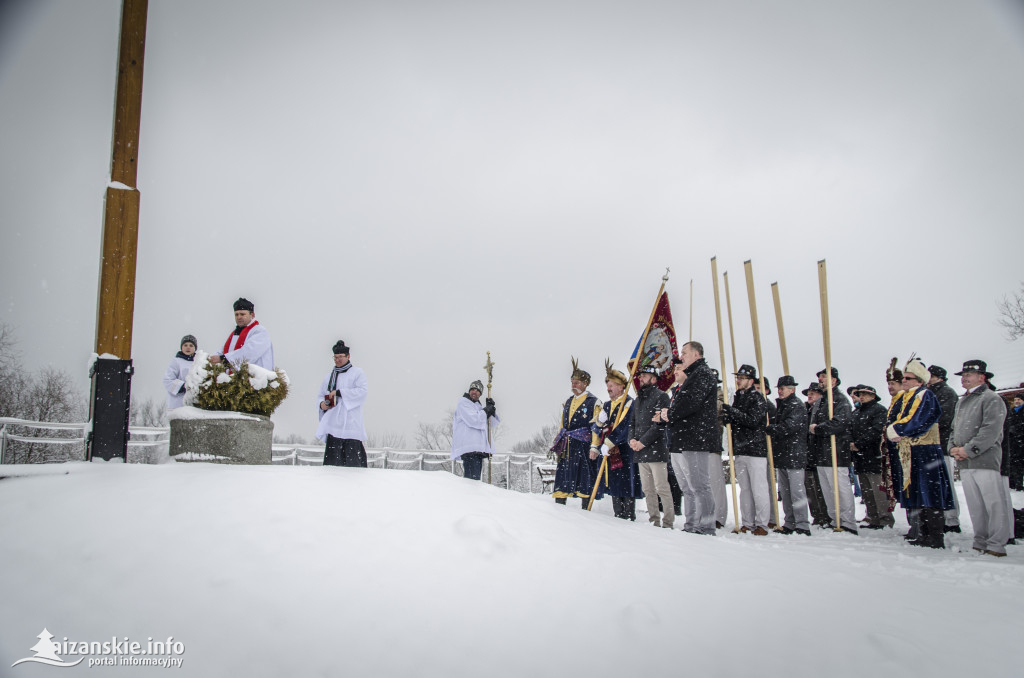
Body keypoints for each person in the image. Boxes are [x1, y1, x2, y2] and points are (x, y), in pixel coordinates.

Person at [886, 358, 956, 549]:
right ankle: (923, 531)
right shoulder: (908, 397)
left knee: (930, 492)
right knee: (917, 491)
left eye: (908, 378)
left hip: (926, 451)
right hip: (912, 451)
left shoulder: (925, 395)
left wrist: (898, 430)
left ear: (919, 380)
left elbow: (919, 420)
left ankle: (935, 535)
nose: (905, 381)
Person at [656, 341, 718, 535]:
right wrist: (669, 414)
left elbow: (691, 403)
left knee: (700, 485)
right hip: (686, 437)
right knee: (691, 486)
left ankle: (707, 526)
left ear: (696, 355)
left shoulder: (703, 375)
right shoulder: (695, 375)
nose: (681, 356)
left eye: (684, 353)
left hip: (696, 437)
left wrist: (669, 414)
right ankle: (693, 524)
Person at [949, 360, 1009, 556]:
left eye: (969, 375)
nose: (964, 378)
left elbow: (990, 430)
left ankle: (996, 543)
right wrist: (952, 448)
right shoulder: (962, 401)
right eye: (963, 375)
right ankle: (980, 539)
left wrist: (969, 449)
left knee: (993, 503)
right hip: (964, 461)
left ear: (982, 377)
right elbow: (953, 429)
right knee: (975, 504)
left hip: (984, 459)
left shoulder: (991, 398)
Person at [721, 364, 770, 535]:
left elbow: (753, 420)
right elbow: (738, 420)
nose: (738, 381)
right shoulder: (738, 397)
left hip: (755, 449)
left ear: (750, 380)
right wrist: (729, 419)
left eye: (741, 378)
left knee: (759, 488)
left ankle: (762, 523)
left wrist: (733, 413)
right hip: (741, 448)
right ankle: (747, 522)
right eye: (737, 378)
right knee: (745, 489)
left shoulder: (757, 398)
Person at [591, 361, 642, 520]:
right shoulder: (606, 405)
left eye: (612, 384)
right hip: (610, 452)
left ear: (621, 386)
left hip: (625, 451)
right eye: (608, 384)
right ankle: (617, 515)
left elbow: (627, 426)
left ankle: (628, 516)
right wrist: (599, 423)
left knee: (626, 484)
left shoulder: (630, 403)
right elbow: (597, 428)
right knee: (614, 485)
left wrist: (610, 441)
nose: (609, 388)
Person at [809, 367, 857, 534]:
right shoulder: (822, 401)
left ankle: (847, 521)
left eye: (824, 376)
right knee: (828, 489)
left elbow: (840, 422)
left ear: (834, 380)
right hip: (822, 452)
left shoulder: (840, 400)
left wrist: (819, 428)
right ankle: (834, 519)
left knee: (840, 488)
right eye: (820, 376)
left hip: (836, 450)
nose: (821, 379)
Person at [551, 359, 603, 509]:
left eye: (577, 382)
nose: (574, 385)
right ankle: (559, 507)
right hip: (567, 446)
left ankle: (585, 511)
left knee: (584, 478)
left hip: (583, 446)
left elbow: (596, 426)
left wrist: (594, 446)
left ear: (585, 384)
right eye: (572, 382)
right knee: (563, 478)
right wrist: (558, 441)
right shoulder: (568, 401)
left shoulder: (594, 402)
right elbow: (563, 424)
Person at [628, 365, 673, 528]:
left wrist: (643, 442)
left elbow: (659, 426)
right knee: (648, 489)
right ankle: (654, 520)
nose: (641, 378)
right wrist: (632, 440)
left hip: (656, 450)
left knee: (662, 488)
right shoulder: (638, 399)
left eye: (645, 376)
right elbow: (632, 423)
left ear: (654, 379)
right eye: (640, 376)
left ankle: (668, 522)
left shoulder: (662, 397)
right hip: (640, 451)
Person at [316, 340, 369, 467]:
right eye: (335, 357)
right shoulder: (329, 376)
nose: (338, 360)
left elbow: (362, 392)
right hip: (333, 424)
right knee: (332, 465)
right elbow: (320, 396)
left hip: (351, 423)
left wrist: (340, 393)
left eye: (340, 357)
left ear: (348, 356)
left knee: (353, 465)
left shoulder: (357, 373)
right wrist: (322, 404)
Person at [768, 376, 810, 535]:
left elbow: (790, 426)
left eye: (783, 388)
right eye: (779, 388)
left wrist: (774, 429)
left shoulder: (796, 405)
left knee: (797, 492)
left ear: (792, 389)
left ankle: (802, 524)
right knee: (785, 492)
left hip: (794, 454)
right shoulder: (783, 405)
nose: (779, 391)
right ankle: (790, 522)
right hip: (784, 454)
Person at [849, 385, 894, 529]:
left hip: (874, 455)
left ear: (873, 396)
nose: (861, 396)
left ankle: (885, 519)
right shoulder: (856, 413)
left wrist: (859, 444)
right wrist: (852, 443)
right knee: (867, 491)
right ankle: (873, 518)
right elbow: (850, 429)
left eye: (865, 394)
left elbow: (876, 431)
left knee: (878, 491)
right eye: (860, 394)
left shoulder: (879, 410)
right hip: (860, 458)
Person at [928, 365, 962, 533]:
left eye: (930, 376)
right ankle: (942, 516)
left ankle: (952, 519)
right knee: (937, 484)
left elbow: (944, 418)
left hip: (942, 444)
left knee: (946, 482)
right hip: (932, 445)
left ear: (938, 377)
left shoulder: (946, 393)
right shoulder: (930, 393)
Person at [209, 297, 275, 371]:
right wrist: (209, 359)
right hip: (236, 379)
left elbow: (249, 352)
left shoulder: (259, 331)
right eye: (236, 315)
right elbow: (223, 351)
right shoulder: (235, 333)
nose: (239, 317)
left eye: (242, 314)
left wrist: (223, 359)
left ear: (252, 315)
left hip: (256, 379)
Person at [451, 380, 498, 481]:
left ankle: (473, 495)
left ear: (480, 393)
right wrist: (486, 411)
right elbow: (474, 420)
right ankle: (470, 496)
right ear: (469, 391)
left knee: (475, 479)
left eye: (477, 390)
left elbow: (489, 424)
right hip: (469, 446)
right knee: (471, 480)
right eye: (472, 389)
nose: (474, 392)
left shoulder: (478, 406)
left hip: (477, 447)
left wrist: (491, 410)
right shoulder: (463, 403)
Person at [803, 383, 830, 526]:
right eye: (809, 393)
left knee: (819, 488)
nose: (810, 395)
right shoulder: (806, 410)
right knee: (810, 490)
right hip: (807, 455)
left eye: (813, 393)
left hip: (817, 454)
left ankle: (825, 515)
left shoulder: (821, 410)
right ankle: (817, 515)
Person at [162, 334, 197, 410]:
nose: (188, 347)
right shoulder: (176, 361)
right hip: (177, 402)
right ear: (181, 347)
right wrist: (183, 387)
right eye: (185, 345)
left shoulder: (198, 362)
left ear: (195, 348)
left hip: (194, 402)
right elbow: (167, 380)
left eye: (191, 345)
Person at [1007, 393, 1024, 491]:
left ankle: (1019, 485)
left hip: (1021, 442)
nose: (1017, 401)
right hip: (1012, 443)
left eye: (1019, 399)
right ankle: (1012, 484)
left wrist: (1016, 430)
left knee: (1020, 465)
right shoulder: (1012, 411)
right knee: (1012, 464)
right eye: (1015, 399)